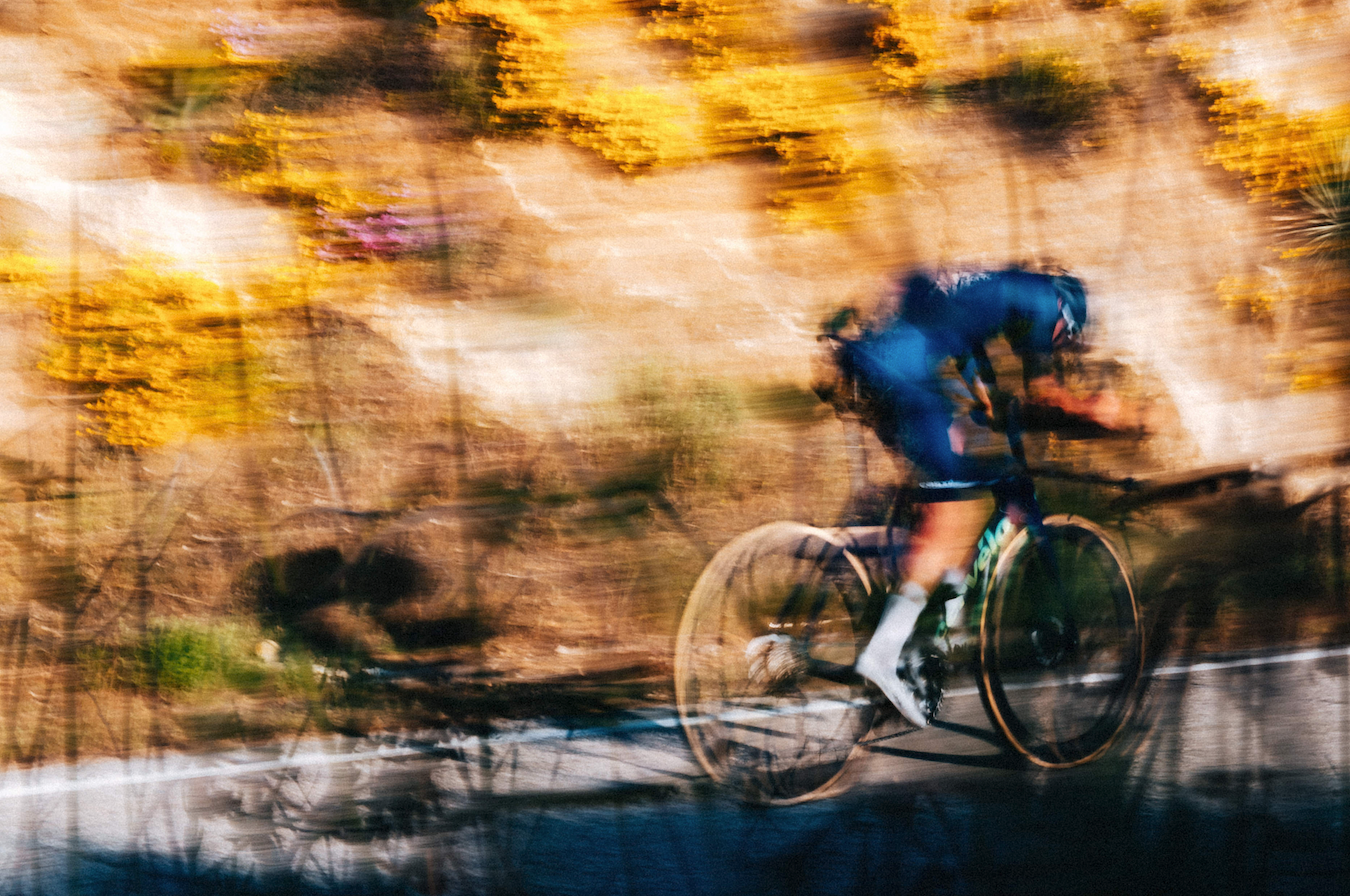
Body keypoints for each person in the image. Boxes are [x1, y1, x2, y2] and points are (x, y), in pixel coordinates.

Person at [822, 267, 1128, 728]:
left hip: (883, 362)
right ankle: (884, 653)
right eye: (1066, 338)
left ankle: (908, 609)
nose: (1058, 345)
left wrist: (993, 414)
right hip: (905, 368)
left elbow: (982, 389)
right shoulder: (1042, 299)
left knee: (951, 478)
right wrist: (1098, 413)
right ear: (1066, 313)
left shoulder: (990, 296)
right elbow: (1044, 393)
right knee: (954, 516)